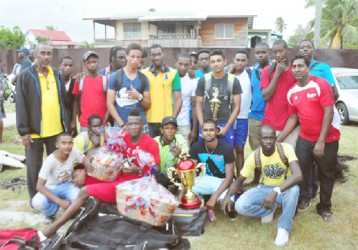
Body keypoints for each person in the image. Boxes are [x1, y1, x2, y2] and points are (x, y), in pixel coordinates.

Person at [41, 108, 160, 238]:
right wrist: (96, 149)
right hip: (116, 177)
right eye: (130, 124)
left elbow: (157, 170)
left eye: (136, 123)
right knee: (79, 174)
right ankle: (83, 207)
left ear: (142, 125)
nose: (133, 127)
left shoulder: (151, 143)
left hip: (131, 186)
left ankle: (55, 227)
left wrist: (137, 169)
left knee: (84, 191)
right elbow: (103, 154)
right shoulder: (122, 138)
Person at [278, 54, 340, 222]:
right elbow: (292, 118)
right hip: (305, 138)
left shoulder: (319, 84)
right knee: (300, 171)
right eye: (294, 67)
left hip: (327, 138)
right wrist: (279, 139)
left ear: (308, 68)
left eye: (301, 66)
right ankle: (303, 198)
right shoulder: (292, 92)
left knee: (326, 173)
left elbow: (329, 112)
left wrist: (320, 141)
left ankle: (325, 208)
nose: (297, 70)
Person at [221, 125, 302, 246]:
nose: (268, 141)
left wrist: (275, 192)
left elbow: (298, 175)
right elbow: (239, 181)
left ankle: (284, 228)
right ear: (259, 139)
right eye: (265, 138)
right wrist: (227, 196)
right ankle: (268, 210)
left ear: (276, 138)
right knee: (240, 206)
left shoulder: (286, 148)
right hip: (265, 188)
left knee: (294, 190)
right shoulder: (255, 156)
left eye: (271, 138)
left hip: (284, 189)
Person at [16, 43, 71, 200]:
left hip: (56, 131)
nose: (46, 57)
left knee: (57, 167)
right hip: (35, 132)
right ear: (35, 55)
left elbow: (64, 102)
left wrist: (66, 125)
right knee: (35, 168)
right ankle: (36, 199)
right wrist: (24, 132)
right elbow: (20, 105)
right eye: (43, 53)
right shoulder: (26, 76)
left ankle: (55, 196)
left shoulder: (56, 74)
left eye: (49, 53)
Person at [299, 39, 341, 204]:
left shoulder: (323, 68)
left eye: (308, 47)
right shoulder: (295, 68)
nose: (305, 49)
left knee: (322, 164)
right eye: (302, 47)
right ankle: (307, 193)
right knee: (306, 163)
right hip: (305, 127)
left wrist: (320, 106)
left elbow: (334, 93)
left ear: (313, 49)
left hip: (324, 123)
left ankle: (321, 199)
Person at [31, 133, 83, 224]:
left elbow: (86, 161)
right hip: (51, 187)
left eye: (70, 143)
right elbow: (39, 186)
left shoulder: (73, 152)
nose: (67, 146)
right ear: (57, 145)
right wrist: (59, 202)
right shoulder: (50, 160)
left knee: (80, 199)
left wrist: (84, 173)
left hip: (68, 185)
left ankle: (69, 210)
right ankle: (51, 212)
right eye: (63, 143)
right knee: (37, 202)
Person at [195, 50, 242, 147]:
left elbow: (237, 107)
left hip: (225, 123)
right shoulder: (203, 80)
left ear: (225, 61)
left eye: (219, 61)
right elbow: (198, 104)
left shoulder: (233, 80)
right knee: (205, 154)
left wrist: (227, 127)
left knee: (227, 154)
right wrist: (203, 125)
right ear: (209, 63)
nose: (216, 64)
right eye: (212, 62)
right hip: (207, 122)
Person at [189, 119, 235, 216]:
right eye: (205, 130)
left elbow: (229, 178)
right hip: (204, 179)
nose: (208, 133)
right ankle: (201, 198)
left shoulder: (227, 148)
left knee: (227, 207)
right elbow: (191, 172)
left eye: (211, 130)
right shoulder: (196, 147)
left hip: (223, 181)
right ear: (201, 132)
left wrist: (214, 197)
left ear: (217, 131)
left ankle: (214, 198)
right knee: (186, 191)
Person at [261, 40, 298, 148]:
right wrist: (277, 74)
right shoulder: (267, 71)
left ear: (287, 51)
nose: (277, 55)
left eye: (280, 51)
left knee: (290, 159)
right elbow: (266, 96)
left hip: (291, 126)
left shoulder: (295, 71)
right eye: (274, 52)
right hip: (270, 125)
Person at [107, 43, 151, 132]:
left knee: (141, 147)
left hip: (140, 127)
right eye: (132, 56)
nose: (135, 60)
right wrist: (122, 124)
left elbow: (148, 105)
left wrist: (138, 97)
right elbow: (109, 104)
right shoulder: (115, 77)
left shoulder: (144, 79)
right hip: (121, 126)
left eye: (138, 57)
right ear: (126, 56)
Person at [142, 44, 182, 137]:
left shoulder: (173, 73)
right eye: (154, 55)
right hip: (148, 120)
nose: (157, 57)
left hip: (166, 121)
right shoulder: (143, 74)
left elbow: (179, 99)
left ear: (163, 54)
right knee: (149, 150)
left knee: (167, 150)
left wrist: (173, 120)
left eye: (159, 54)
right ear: (150, 56)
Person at [72, 51, 108, 131]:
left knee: (102, 143)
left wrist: (105, 120)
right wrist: (73, 121)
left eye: (94, 61)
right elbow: (75, 101)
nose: (92, 64)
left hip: (101, 124)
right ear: (84, 64)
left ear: (98, 62)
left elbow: (109, 103)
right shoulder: (80, 80)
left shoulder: (105, 80)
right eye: (89, 62)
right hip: (85, 124)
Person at [231, 49, 252, 174]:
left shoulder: (250, 74)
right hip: (227, 119)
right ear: (233, 61)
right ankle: (228, 177)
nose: (240, 63)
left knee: (239, 149)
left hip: (242, 118)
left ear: (247, 61)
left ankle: (239, 178)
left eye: (243, 60)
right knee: (227, 150)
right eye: (237, 60)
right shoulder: (227, 75)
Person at [154, 116, 189, 188]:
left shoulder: (179, 138)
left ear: (177, 130)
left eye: (173, 128)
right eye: (167, 128)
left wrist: (180, 155)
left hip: (174, 174)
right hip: (158, 175)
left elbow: (187, 158)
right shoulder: (154, 141)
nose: (170, 131)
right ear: (161, 130)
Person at [248, 42, 270, 151]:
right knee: (255, 150)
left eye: (263, 52)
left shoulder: (275, 69)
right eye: (257, 53)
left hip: (272, 116)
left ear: (269, 53)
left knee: (272, 149)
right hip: (255, 116)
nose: (260, 55)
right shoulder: (251, 71)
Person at [175, 52, 198, 143]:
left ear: (190, 65)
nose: (183, 67)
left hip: (184, 124)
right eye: (180, 64)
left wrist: (194, 129)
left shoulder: (193, 81)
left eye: (186, 65)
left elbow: (195, 105)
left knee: (184, 154)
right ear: (175, 63)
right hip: (167, 123)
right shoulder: (168, 77)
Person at [59, 56, 76, 136]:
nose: (68, 68)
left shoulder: (75, 82)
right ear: (59, 66)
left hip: (69, 120)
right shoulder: (55, 82)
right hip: (56, 119)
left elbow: (75, 103)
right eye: (65, 65)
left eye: (70, 65)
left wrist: (73, 121)